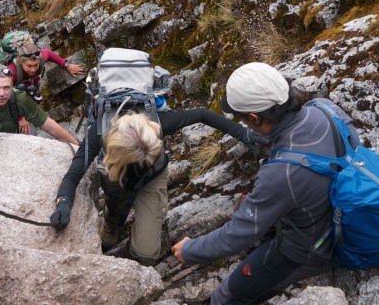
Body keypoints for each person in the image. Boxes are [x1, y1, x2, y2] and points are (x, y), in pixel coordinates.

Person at [172, 62, 360, 305]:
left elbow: (236, 235)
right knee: (245, 206)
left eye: (241, 118)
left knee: (224, 301)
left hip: (308, 247)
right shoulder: (326, 108)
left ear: (254, 118)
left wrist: (190, 250)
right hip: (336, 207)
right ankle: (257, 263)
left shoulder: (281, 174)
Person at [49, 102, 268, 265]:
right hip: (118, 177)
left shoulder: (160, 120)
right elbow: (74, 173)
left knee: (146, 254)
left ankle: (124, 246)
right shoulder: (98, 133)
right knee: (116, 196)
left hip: (152, 177)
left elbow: (202, 114)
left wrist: (244, 133)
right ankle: (112, 220)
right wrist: (64, 200)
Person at [0, 66, 80, 144]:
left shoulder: (20, 98)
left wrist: (76, 145)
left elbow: (48, 125)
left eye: (6, 88)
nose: (2, 93)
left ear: (12, 86)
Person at [2, 38, 85, 98]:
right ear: (20, 62)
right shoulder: (12, 72)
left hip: (32, 90)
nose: (33, 69)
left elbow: (48, 53)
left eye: (36, 65)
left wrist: (67, 65)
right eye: (29, 66)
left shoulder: (41, 58)